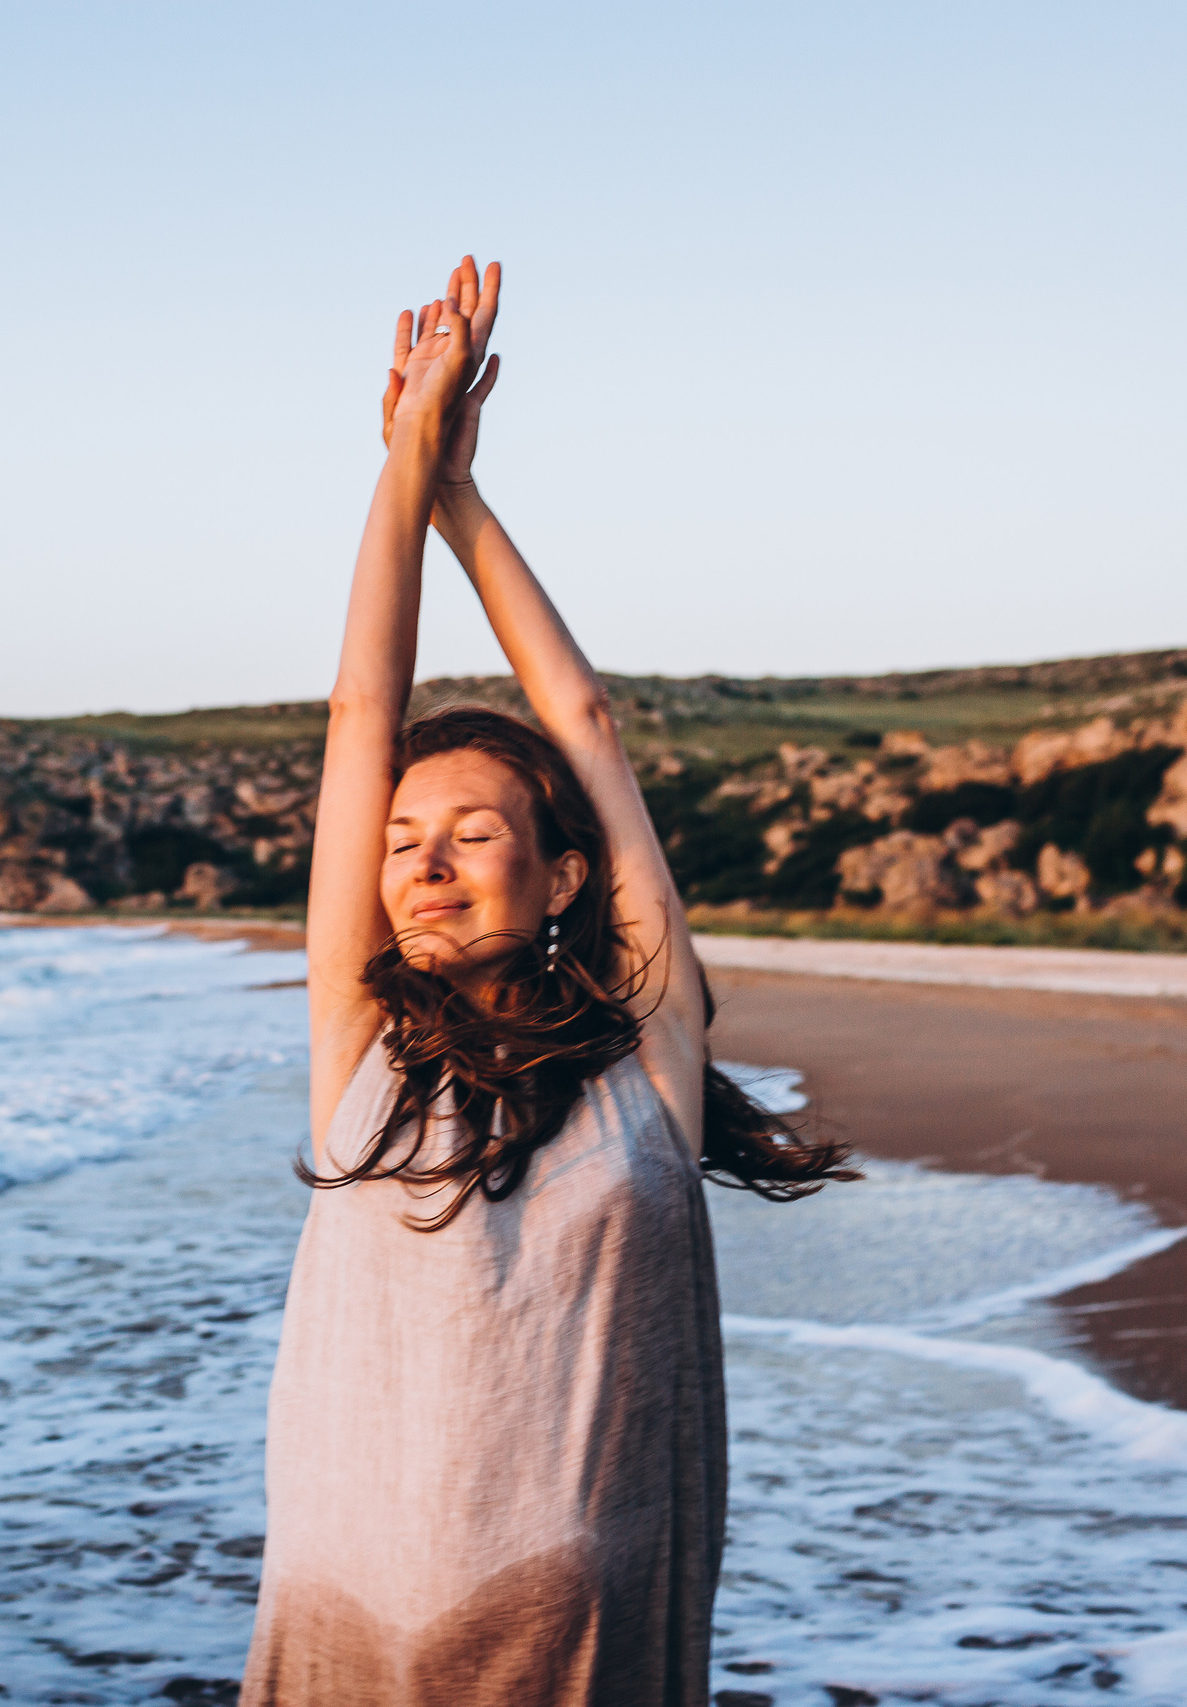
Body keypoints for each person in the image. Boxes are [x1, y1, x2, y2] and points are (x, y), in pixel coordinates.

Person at [241, 258, 855, 1707]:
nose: (426, 863)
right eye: (401, 842)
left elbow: (580, 716)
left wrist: (458, 497)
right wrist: (405, 464)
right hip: (343, 1601)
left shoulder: (646, 1045)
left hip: (566, 1617)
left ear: (564, 873)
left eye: (473, 833)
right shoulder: (359, 1044)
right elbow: (357, 713)